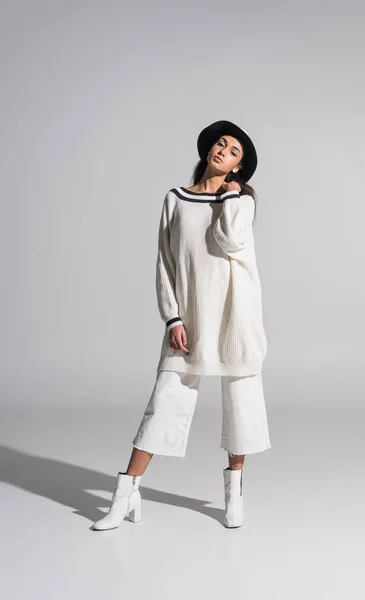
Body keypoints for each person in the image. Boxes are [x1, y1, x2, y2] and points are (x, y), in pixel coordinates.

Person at [92, 120, 274, 531]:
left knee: (241, 404)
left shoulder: (242, 202)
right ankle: (126, 494)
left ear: (237, 168)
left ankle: (234, 494)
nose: (222, 150)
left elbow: (231, 242)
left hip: (234, 317)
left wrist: (230, 196)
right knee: (163, 403)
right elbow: (165, 263)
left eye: (233, 151)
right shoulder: (175, 199)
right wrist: (172, 315)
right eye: (220, 144)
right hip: (190, 318)